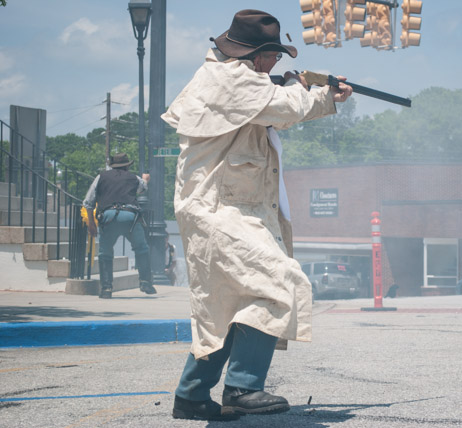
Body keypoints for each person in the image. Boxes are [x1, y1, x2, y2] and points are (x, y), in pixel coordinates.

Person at [161, 9, 352, 422]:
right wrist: (311, 90)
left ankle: (192, 396)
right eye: (274, 57)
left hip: (232, 208)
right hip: (217, 209)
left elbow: (276, 105)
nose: (276, 64)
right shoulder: (228, 79)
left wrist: (316, 94)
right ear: (258, 55)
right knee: (279, 283)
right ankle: (243, 386)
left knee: (231, 305)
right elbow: (281, 106)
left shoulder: (239, 79)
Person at [83, 153, 156, 299]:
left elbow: (88, 202)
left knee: (105, 253)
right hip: (130, 216)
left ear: (112, 165)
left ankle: (106, 288)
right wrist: (146, 180)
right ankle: (145, 281)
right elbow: (142, 188)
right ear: (127, 165)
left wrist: (91, 223)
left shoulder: (101, 177)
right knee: (141, 248)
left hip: (108, 216)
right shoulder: (133, 178)